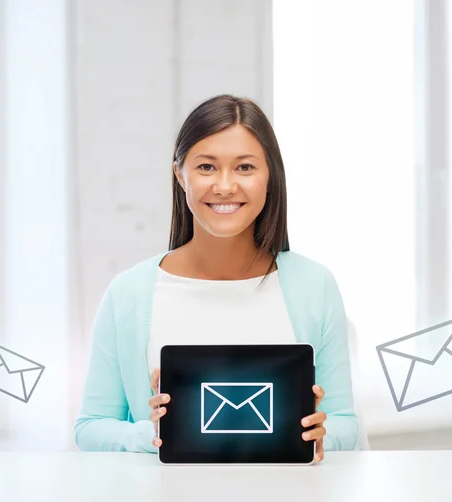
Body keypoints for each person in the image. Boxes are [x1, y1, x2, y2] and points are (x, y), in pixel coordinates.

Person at [73, 94, 359, 461]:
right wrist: (156, 433)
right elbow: (91, 427)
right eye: (206, 167)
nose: (225, 186)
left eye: (245, 168)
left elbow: (345, 423)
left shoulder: (314, 285)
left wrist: (320, 433)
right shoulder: (129, 294)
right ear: (180, 173)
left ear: (270, 175)